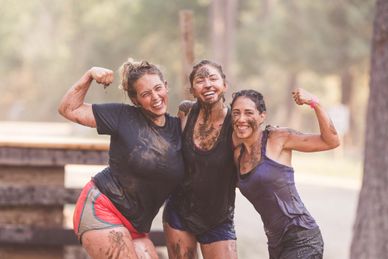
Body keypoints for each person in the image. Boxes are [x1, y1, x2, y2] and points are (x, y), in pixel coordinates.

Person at [58, 59, 185, 259]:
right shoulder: (122, 116)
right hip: (101, 208)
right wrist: (90, 74)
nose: (155, 97)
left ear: (166, 87)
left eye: (158, 88)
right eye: (145, 94)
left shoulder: (179, 129)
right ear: (135, 100)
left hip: (136, 225)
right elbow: (69, 109)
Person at [230, 88, 340, 259]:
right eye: (236, 113)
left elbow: (331, 141)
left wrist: (315, 103)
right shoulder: (237, 155)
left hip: (302, 237)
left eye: (248, 112)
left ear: (262, 116)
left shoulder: (277, 138)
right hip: (275, 244)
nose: (241, 118)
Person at [163, 60, 238, 259]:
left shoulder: (236, 122)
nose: (207, 84)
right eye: (200, 81)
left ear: (224, 85)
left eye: (213, 78)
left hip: (218, 217)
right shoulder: (186, 112)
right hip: (179, 212)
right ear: (192, 90)